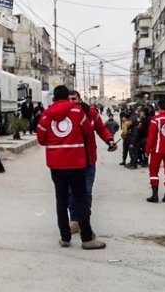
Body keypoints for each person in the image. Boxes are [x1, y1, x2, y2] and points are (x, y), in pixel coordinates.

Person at [36, 85, 105, 249]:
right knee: (81, 199)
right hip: (76, 163)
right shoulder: (76, 111)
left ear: (53, 98)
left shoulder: (46, 115)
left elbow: (41, 139)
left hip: (56, 165)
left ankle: (65, 238)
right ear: (68, 97)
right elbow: (88, 132)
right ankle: (87, 239)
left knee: (61, 201)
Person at [67, 90, 117, 234]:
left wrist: (110, 140)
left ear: (79, 99)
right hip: (71, 161)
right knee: (72, 193)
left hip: (88, 161)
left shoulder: (91, 113)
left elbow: (101, 129)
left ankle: (84, 222)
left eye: (74, 99)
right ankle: (74, 221)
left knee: (86, 193)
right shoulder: (64, 115)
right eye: (69, 99)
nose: (72, 102)